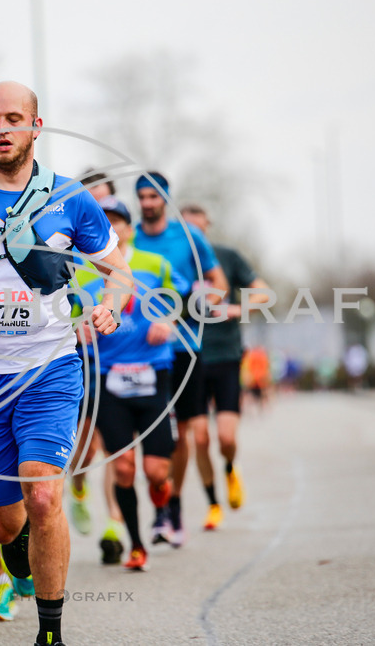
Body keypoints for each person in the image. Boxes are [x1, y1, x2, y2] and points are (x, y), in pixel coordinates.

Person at [0, 81, 133, 646]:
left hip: (51, 366)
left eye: (14, 118)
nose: (2, 128)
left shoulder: (70, 199)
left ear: (37, 127)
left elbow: (119, 271)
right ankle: (14, 545)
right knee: (7, 520)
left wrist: (109, 306)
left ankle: (51, 632)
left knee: (43, 494)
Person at [74, 196, 184, 570]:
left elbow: (176, 301)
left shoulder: (155, 264)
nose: (112, 226)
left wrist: (167, 321)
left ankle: (161, 493)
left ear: (129, 228)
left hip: (153, 374)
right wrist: (78, 331)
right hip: (108, 377)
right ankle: (136, 545)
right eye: (104, 221)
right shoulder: (80, 272)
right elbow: (69, 318)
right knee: (122, 468)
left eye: (118, 220)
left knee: (156, 471)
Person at [132, 171, 227, 548]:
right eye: (142, 196)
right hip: (142, 351)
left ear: (167, 199)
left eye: (154, 196)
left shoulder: (190, 237)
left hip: (185, 347)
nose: (148, 202)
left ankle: (172, 506)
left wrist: (203, 302)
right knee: (153, 431)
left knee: (183, 433)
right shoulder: (131, 239)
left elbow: (219, 283)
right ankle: (159, 509)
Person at [181, 205, 270, 530]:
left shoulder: (227, 257)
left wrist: (236, 308)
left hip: (227, 356)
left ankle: (231, 468)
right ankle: (213, 504)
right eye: (186, 229)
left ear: (207, 228)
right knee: (200, 439)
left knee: (226, 438)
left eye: (198, 229)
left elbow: (264, 293)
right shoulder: (176, 263)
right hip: (189, 359)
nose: (193, 235)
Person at [67, 169, 126, 564]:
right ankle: (78, 486)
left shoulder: (120, 259)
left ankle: (114, 525)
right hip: (80, 362)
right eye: (94, 204)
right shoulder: (66, 254)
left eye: (108, 205)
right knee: (87, 448)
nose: (101, 212)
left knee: (114, 448)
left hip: (120, 365)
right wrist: (76, 327)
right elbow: (53, 310)